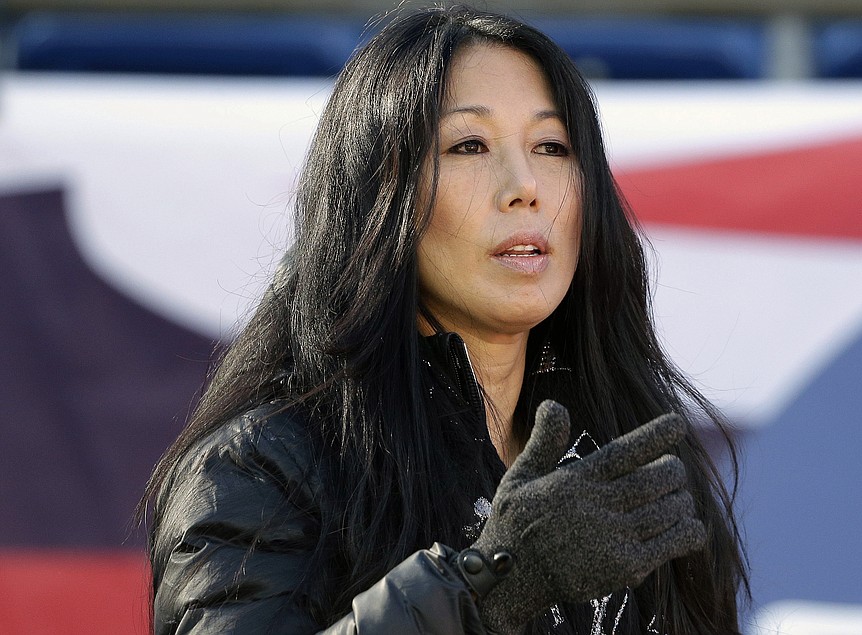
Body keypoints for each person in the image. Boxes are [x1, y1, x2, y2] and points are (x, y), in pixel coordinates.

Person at [142, 5, 749, 634]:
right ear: (380, 196)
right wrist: (488, 586)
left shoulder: (627, 453)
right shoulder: (262, 470)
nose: (525, 186)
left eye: (551, 146)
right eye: (469, 146)